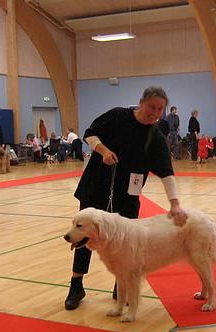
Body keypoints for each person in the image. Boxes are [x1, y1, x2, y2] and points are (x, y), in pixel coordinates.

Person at [65, 86, 187, 310]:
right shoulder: (118, 116)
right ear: (141, 102)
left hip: (128, 194)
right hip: (97, 186)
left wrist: (175, 203)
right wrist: (103, 151)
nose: (156, 113)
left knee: (127, 242)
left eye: (160, 109)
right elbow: (90, 133)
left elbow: (166, 171)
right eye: (152, 107)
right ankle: (76, 285)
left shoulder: (156, 135)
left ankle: (120, 287)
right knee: (84, 236)